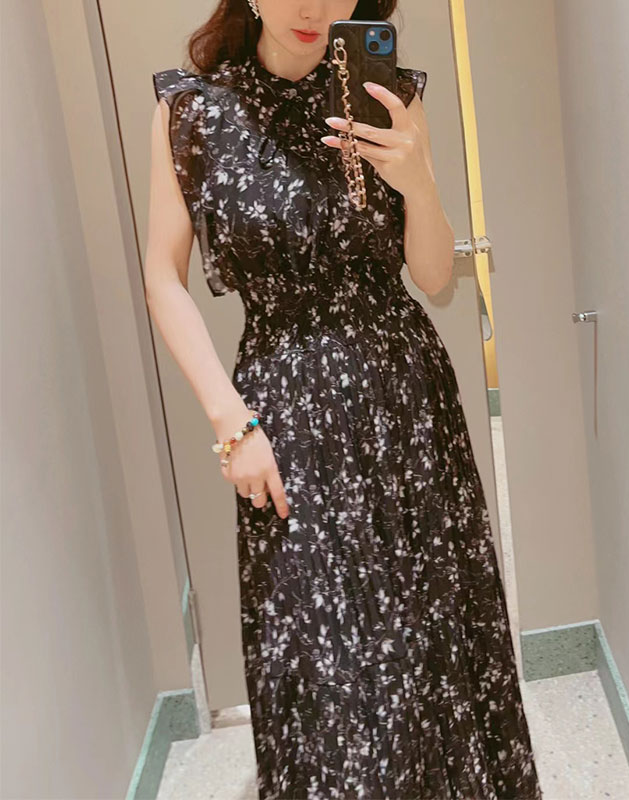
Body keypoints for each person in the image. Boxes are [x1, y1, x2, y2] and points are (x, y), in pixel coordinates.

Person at [146, 0, 543, 797]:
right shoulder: (191, 111)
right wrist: (232, 423)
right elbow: (162, 275)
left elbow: (433, 277)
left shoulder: (387, 92)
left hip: (404, 403)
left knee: (427, 644)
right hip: (282, 416)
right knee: (324, 668)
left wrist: (418, 183)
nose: (311, 7)